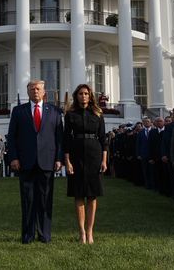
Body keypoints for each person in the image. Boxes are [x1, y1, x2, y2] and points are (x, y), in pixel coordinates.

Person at [7, 80, 63, 244]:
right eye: (32, 89)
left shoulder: (54, 110)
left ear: (44, 92)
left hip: (47, 161)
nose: (35, 92)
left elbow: (59, 138)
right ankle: (27, 235)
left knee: (45, 201)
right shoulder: (19, 111)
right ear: (28, 92)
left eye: (38, 89)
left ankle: (45, 235)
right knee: (27, 200)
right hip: (25, 161)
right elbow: (12, 137)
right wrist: (13, 158)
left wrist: (58, 158)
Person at [63, 84, 107, 244]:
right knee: (78, 193)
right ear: (77, 96)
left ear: (90, 96)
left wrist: (104, 160)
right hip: (76, 154)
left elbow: (103, 139)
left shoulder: (98, 114)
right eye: (81, 94)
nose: (83, 96)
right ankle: (81, 233)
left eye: (86, 93)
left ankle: (90, 232)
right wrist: (67, 162)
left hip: (94, 155)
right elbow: (66, 139)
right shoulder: (70, 115)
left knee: (92, 195)